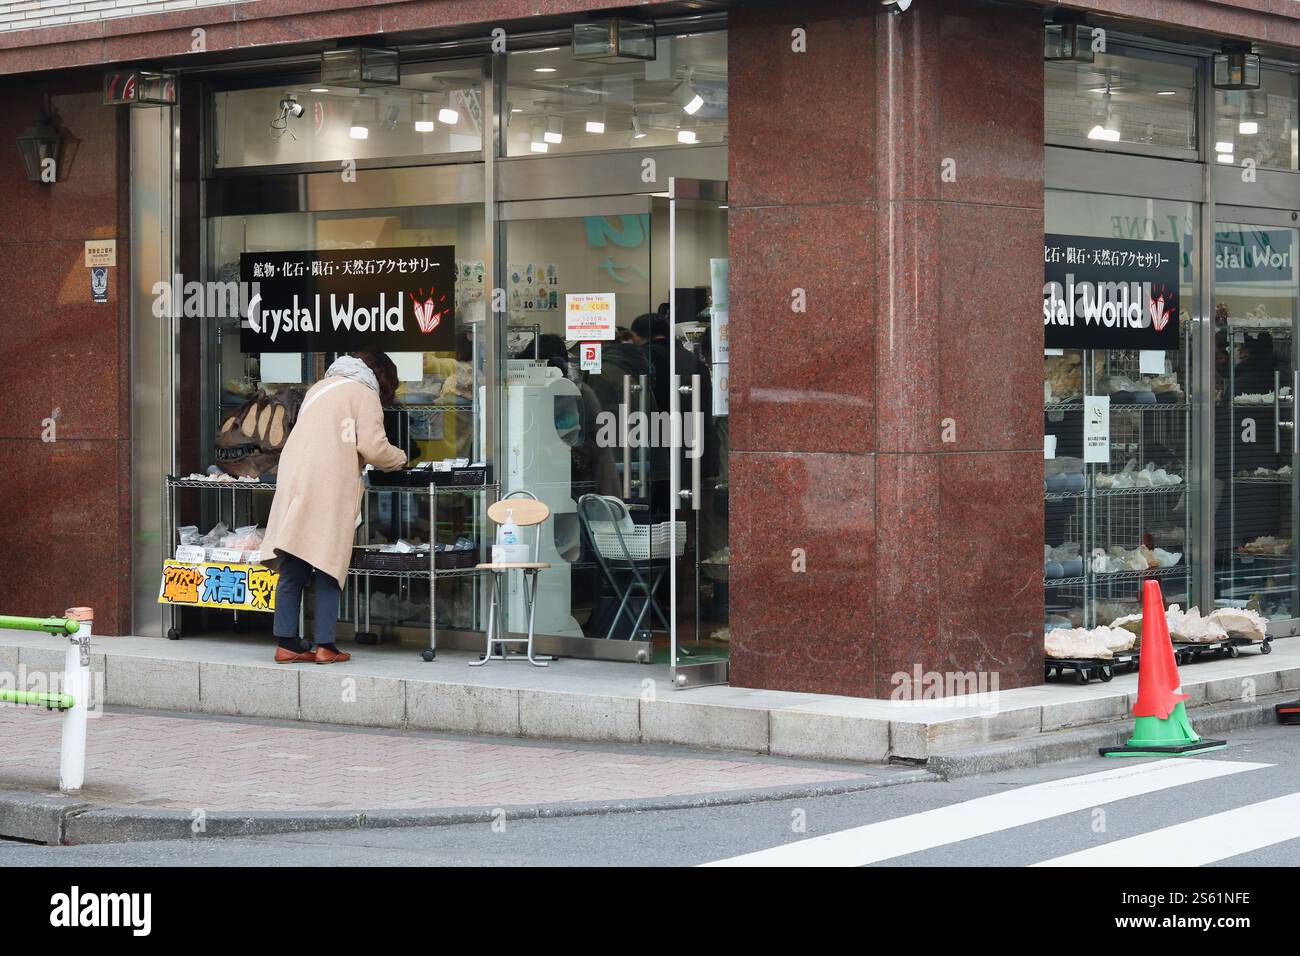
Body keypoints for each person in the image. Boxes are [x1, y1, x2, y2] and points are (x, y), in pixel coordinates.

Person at [260, 350, 408, 664]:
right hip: (328, 484)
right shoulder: (363, 393)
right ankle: (325, 645)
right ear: (382, 379)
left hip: (295, 480)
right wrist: (401, 458)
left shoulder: (320, 388)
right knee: (329, 564)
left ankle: (286, 642)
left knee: (295, 562)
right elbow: (373, 447)